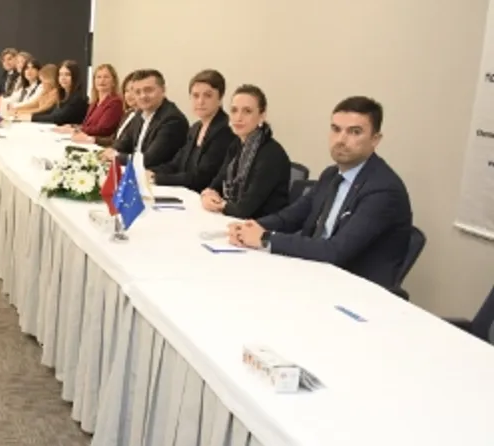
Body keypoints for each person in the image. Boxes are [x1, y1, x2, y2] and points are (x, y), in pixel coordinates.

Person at [228, 96, 413, 289]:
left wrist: (265, 238)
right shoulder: (331, 175)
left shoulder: (383, 190)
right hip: (317, 273)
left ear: (375, 140)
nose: (341, 139)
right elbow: (291, 217)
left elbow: (336, 251)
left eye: (355, 132)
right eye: (336, 129)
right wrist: (251, 227)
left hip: (355, 289)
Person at [201, 84, 291, 219]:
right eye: (234, 110)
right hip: (235, 220)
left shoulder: (271, 155)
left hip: (262, 226)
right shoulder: (236, 145)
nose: (238, 117)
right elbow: (216, 184)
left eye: (247, 111)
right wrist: (207, 194)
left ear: (262, 116)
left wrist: (219, 205)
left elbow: (244, 209)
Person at [149, 70, 232, 192]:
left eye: (208, 96)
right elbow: (176, 164)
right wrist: (150, 172)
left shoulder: (225, 129)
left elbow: (202, 178)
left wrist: (157, 178)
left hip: (206, 197)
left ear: (220, 98)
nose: (200, 101)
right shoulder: (195, 128)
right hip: (188, 193)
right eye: (195, 96)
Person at [106, 69, 188, 169]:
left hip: (155, 175)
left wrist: (116, 156)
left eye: (148, 90)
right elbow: (124, 143)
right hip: (137, 171)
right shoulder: (140, 113)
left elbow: (149, 160)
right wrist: (112, 151)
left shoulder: (172, 119)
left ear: (163, 90)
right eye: (137, 92)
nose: (143, 96)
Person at [62, 64, 123, 141]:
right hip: (84, 139)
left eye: (106, 77)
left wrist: (75, 129)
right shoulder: (94, 103)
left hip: (99, 143)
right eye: (98, 77)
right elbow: (86, 125)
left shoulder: (115, 102)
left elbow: (103, 130)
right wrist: (72, 126)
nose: (102, 80)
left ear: (113, 81)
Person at [32, 60, 87, 125]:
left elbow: (58, 118)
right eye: (60, 74)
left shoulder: (78, 98)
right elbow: (52, 114)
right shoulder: (63, 96)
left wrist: (31, 117)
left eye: (67, 74)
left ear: (75, 77)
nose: (63, 78)